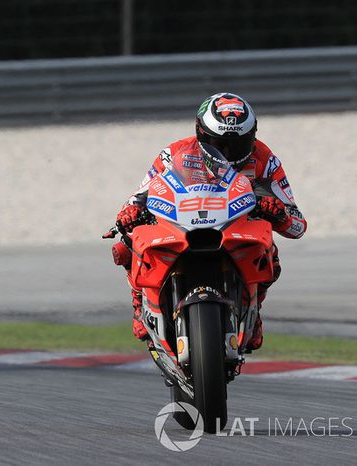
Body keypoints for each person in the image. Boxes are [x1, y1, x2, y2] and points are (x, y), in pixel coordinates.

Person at [115, 92, 307, 350]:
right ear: (201, 134)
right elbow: (141, 194)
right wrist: (130, 212)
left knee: (269, 253)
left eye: (239, 143)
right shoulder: (174, 153)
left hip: (234, 228)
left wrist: (279, 214)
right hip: (182, 222)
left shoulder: (265, 160)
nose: (228, 153)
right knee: (129, 241)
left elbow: (297, 225)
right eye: (219, 144)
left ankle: (254, 309)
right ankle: (139, 300)